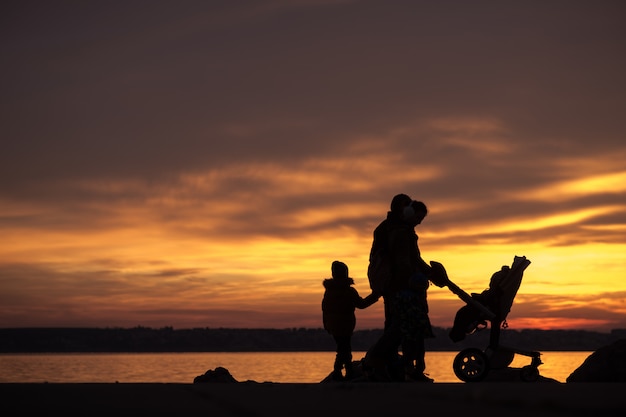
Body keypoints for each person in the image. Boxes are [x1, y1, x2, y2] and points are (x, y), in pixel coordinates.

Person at [363, 195, 437, 382]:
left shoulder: (394, 228)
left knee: (398, 326)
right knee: (403, 327)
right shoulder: (400, 231)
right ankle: (384, 362)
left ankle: (400, 367)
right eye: (416, 217)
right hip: (401, 288)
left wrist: (427, 272)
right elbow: (405, 261)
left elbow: (411, 259)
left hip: (395, 286)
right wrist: (417, 278)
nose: (418, 222)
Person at [322, 260, 379, 381]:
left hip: (334, 325)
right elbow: (361, 304)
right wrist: (375, 296)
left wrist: (326, 324)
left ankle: (346, 370)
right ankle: (341, 371)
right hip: (345, 325)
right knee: (344, 348)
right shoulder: (349, 291)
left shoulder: (329, 291)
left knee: (343, 348)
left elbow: (324, 309)